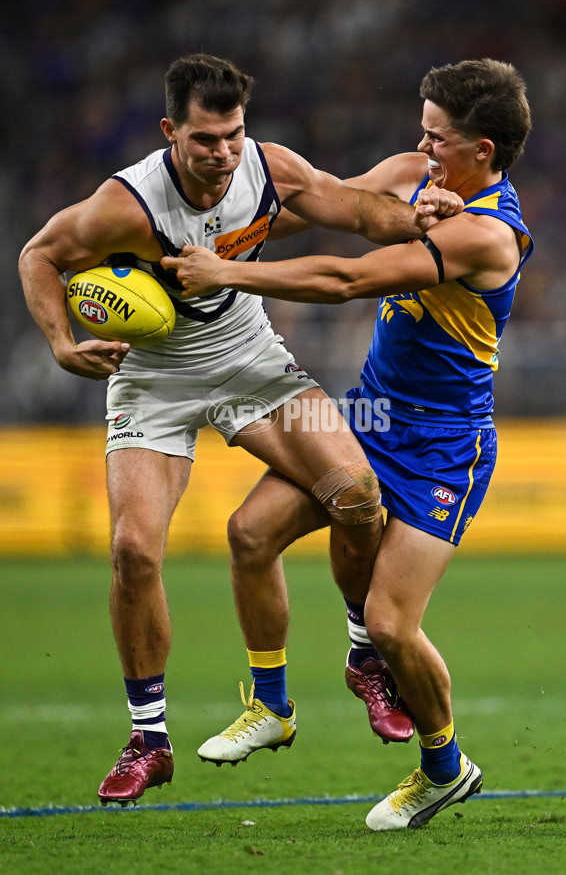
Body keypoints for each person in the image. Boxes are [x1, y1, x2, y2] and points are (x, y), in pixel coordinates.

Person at [18, 53, 461, 806]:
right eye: (204, 140)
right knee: (131, 550)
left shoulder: (267, 167)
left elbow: (353, 208)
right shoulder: (127, 204)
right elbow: (41, 254)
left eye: (232, 135)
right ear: (170, 134)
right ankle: (148, 737)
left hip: (249, 358)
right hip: (152, 379)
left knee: (358, 494)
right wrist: (62, 343)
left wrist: (412, 218)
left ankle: (363, 659)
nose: (222, 153)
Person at [160, 57, 534, 830]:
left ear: (484, 152)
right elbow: (313, 209)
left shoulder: (490, 236)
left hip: (442, 445)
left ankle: (442, 767)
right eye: (421, 130)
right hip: (365, 416)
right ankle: (271, 705)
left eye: (437, 138)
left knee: (398, 625)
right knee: (249, 531)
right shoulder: (409, 173)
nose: (419, 148)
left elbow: (346, 279)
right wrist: (201, 226)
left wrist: (225, 271)